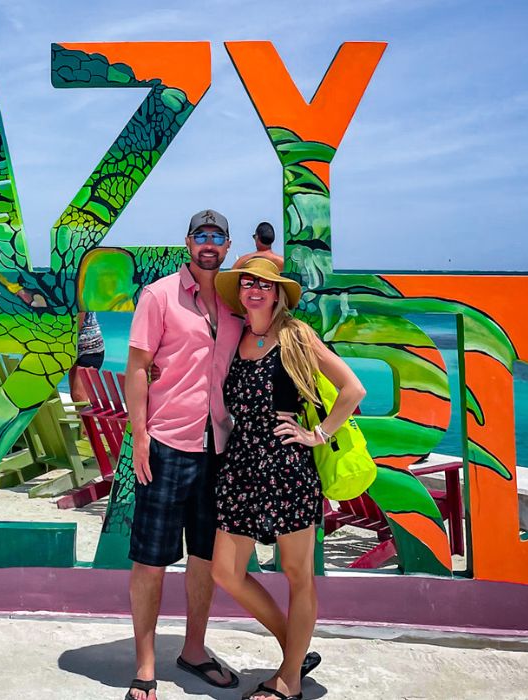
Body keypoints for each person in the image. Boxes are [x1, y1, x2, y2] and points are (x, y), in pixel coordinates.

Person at [209, 257, 366, 700]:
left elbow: (353, 390)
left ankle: (289, 679)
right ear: (239, 292)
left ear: (278, 293)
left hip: (287, 466)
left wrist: (318, 434)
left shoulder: (297, 336)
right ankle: (293, 648)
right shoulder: (236, 337)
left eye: (264, 283)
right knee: (226, 571)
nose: (255, 290)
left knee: (298, 574)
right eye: (247, 283)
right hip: (240, 466)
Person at [123, 209, 242, 700]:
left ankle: (193, 649)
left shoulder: (238, 302)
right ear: (187, 243)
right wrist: (140, 435)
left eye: (217, 237)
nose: (208, 244)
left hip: (219, 448)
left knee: (204, 558)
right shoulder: (159, 295)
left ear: (228, 244)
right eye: (201, 236)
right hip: (167, 444)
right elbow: (137, 367)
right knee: (150, 561)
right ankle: (146, 666)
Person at [68, 311, 104, 403]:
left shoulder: (80, 296)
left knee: (79, 396)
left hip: (90, 349)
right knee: (76, 396)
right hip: (75, 348)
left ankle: (85, 417)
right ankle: (81, 417)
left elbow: (79, 316)